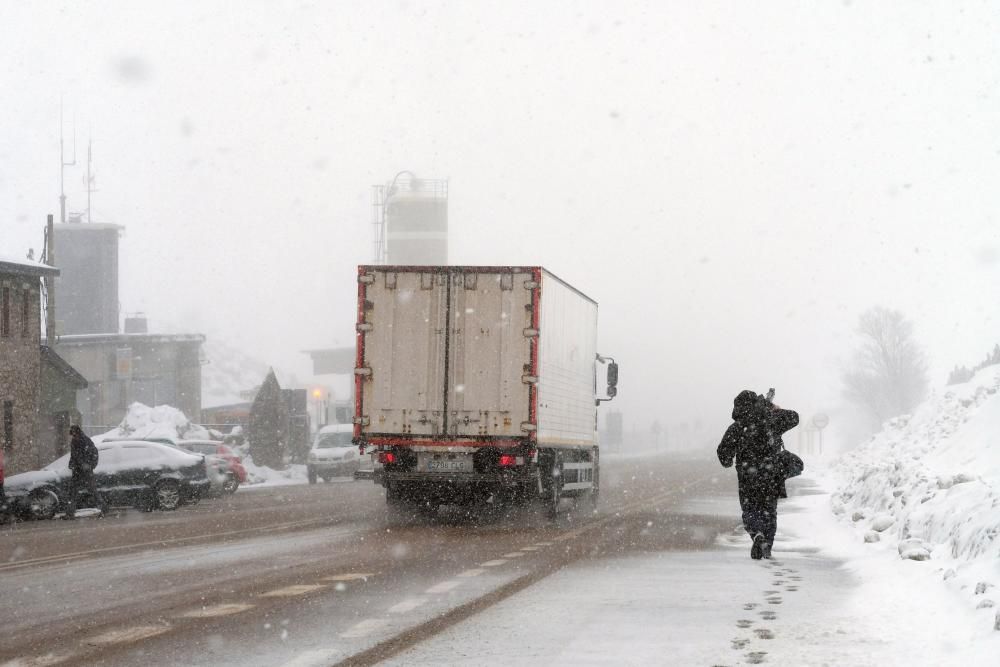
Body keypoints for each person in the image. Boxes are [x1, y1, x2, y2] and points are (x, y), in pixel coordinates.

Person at [716, 390, 799, 560]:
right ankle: (767, 542)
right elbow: (794, 417)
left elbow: (724, 455)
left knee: (750, 510)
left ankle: (757, 535)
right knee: (769, 511)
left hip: (748, 477)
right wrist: (771, 408)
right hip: (772, 475)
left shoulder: (737, 427)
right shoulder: (771, 420)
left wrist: (730, 460)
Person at [63, 425, 106, 519]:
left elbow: (94, 453)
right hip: (77, 471)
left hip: (86, 472)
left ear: (78, 432)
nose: (74, 436)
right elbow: (74, 455)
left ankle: (103, 508)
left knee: (92, 490)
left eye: (75, 434)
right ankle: (70, 513)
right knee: (73, 492)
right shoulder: (74, 442)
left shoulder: (86, 441)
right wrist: (72, 464)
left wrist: (89, 465)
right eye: (72, 434)